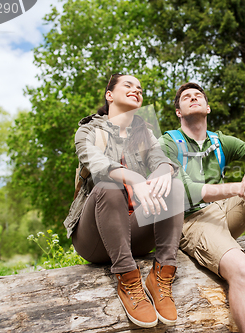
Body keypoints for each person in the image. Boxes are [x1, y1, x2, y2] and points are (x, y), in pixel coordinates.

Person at [63, 74, 184, 328]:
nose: (136, 90)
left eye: (139, 88)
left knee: (173, 183)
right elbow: (96, 165)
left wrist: (163, 168)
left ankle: (161, 277)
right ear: (110, 95)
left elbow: (161, 159)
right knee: (109, 184)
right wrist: (133, 178)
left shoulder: (145, 133)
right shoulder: (88, 130)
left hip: (135, 235)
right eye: (128, 85)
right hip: (94, 240)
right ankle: (128, 279)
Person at [160, 82, 245, 332]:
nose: (193, 98)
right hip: (191, 220)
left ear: (207, 108)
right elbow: (188, 192)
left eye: (198, 96)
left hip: (224, 211)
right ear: (178, 112)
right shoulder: (168, 143)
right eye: (186, 97)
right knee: (240, 268)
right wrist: (239, 187)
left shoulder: (218, 141)